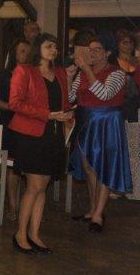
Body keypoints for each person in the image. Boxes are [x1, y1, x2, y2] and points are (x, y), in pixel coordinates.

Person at [8, 33, 72, 254]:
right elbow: (15, 103)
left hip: (53, 134)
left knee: (43, 187)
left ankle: (34, 234)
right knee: (34, 186)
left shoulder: (60, 73)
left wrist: (66, 114)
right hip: (30, 135)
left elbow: (64, 102)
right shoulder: (24, 70)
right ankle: (20, 234)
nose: (54, 50)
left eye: (55, 47)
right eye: (49, 46)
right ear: (38, 48)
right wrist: (48, 114)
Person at [69, 33, 131, 231]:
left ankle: (98, 215)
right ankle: (93, 208)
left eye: (98, 49)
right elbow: (70, 98)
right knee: (88, 166)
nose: (93, 53)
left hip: (106, 123)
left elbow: (104, 94)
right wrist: (70, 77)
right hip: (86, 122)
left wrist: (87, 70)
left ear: (108, 53)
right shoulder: (82, 73)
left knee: (103, 167)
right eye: (91, 49)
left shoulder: (117, 73)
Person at [0, 38, 31, 220]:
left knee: (28, 167)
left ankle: (27, 204)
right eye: (22, 51)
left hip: (30, 125)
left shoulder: (35, 75)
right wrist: (15, 107)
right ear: (14, 54)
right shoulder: (5, 75)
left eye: (28, 51)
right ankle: (13, 205)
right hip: (10, 124)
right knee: (12, 166)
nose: (26, 54)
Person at [114, 29, 138, 123]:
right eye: (125, 42)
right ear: (117, 44)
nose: (129, 45)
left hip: (137, 104)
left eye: (131, 42)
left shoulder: (138, 60)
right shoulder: (112, 62)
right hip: (120, 104)